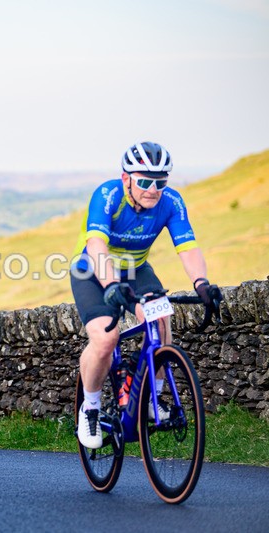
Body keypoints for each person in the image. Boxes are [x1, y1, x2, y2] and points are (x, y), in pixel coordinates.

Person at [70, 142, 219, 449]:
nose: (153, 189)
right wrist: (111, 284)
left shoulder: (171, 202)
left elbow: (187, 247)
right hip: (93, 271)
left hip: (137, 270)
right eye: (145, 181)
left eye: (160, 182)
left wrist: (201, 282)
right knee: (105, 339)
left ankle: (153, 398)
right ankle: (91, 407)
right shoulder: (108, 195)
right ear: (126, 179)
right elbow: (97, 246)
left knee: (161, 318)